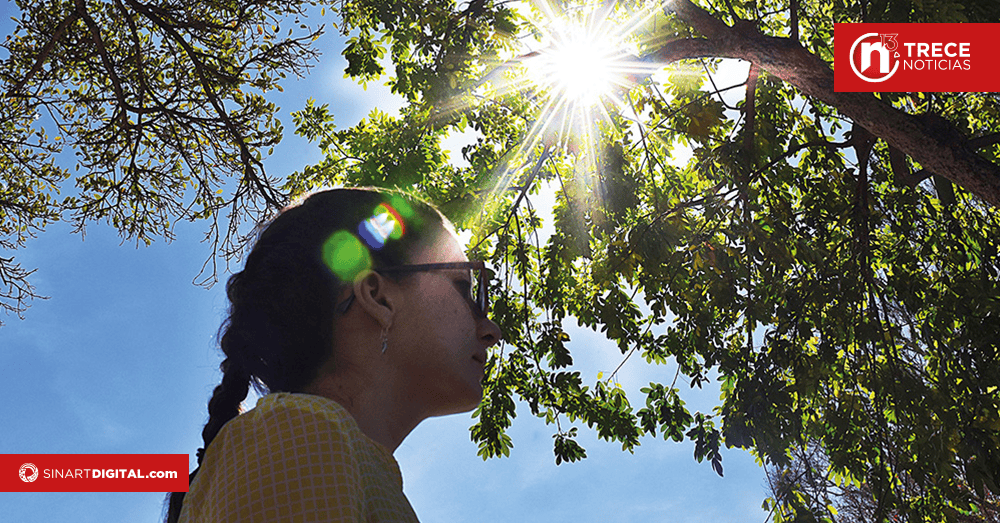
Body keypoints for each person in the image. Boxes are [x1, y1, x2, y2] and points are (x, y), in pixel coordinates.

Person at [165, 187, 502, 522]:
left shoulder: (326, 453)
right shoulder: (301, 438)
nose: (491, 331)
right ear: (377, 298)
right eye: (463, 288)